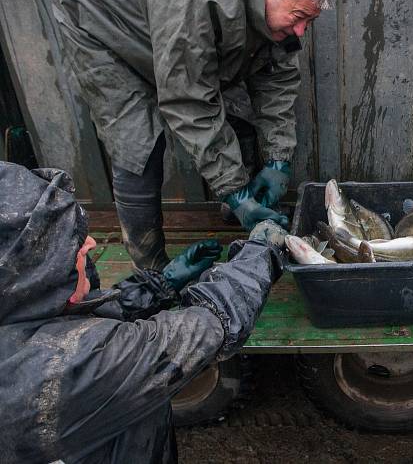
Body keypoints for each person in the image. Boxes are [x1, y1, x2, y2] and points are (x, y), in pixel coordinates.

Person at [52, 0, 332, 273]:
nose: (302, 31)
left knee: (237, 109)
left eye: (310, 21)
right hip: (100, 19)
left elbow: (278, 78)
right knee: (138, 141)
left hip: (167, 19)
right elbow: (189, 101)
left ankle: (239, 207)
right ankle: (151, 269)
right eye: (299, 16)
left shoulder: (275, 0)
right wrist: (235, 188)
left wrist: (278, 159)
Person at [0, 161, 283, 462]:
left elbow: (77, 326)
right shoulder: (66, 368)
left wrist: (162, 284)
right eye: (71, 244)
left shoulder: (18, 322)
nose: (91, 243)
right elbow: (210, 326)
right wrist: (260, 253)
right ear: (35, 271)